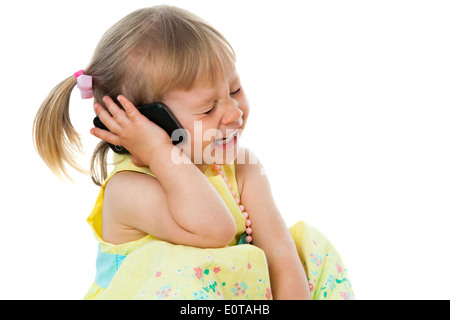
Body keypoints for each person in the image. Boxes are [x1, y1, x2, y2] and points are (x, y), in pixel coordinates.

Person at [33, 5, 354, 300]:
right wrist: (160, 151)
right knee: (181, 269)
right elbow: (216, 230)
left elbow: (279, 252)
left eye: (234, 90)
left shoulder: (241, 167)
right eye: (208, 108)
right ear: (149, 121)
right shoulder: (127, 188)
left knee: (309, 252)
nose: (233, 113)